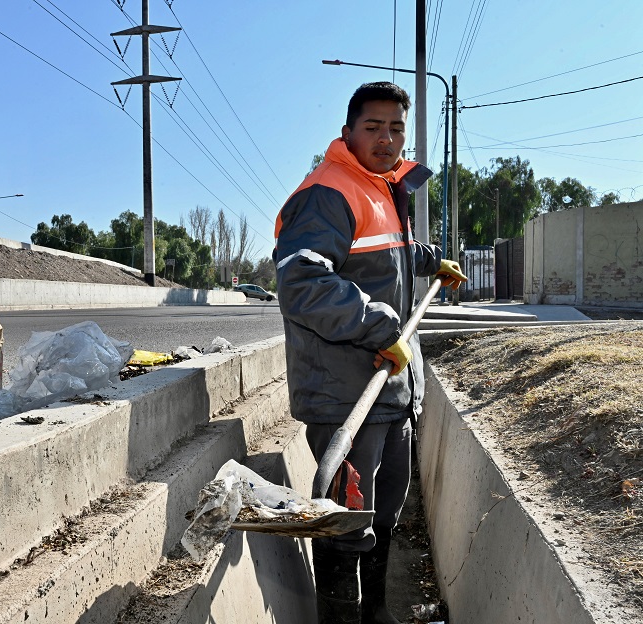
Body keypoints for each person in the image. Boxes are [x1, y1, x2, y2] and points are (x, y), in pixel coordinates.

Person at [272, 82, 466, 624]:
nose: (387, 138)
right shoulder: (328, 192)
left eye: (396, 128)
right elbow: (303, 281)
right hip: (344, 395)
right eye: (374, 127)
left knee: (384, 517)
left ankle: (376, 613)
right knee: (346, 525)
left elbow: (388, 254)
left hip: (389, 391)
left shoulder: (380, 188)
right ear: (348, 133)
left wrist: (432, 262)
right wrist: (380, 326)